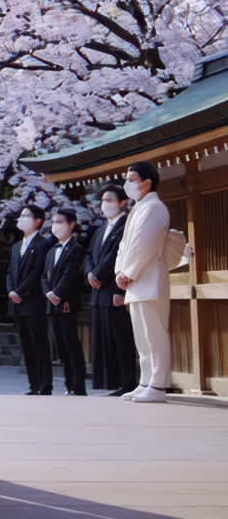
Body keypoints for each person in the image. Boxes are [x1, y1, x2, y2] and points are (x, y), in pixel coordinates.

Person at [116, 161, 172, 404]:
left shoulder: (155, 207)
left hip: (149, 278)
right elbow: (125, 245)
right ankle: (145, 380)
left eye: (132, 179)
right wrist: (120, 271)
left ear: (147, 181)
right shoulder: (138, 208)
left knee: (154, 333)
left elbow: (145, 243)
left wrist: (130, 271)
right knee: (141, 334)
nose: (128, 184)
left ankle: (158, 384)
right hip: (135, 281)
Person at [86, 184, 138, 396]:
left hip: (114, 288)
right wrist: (90, 273)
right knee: (104, 340)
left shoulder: (126, 225)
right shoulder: (101, 228)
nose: (105, 205)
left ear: (123, 202)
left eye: (110, 200)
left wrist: (97, 274)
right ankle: (112, 381)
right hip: (98, 291)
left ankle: (128, 382)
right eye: (104, 201)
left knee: (121, 338)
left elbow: (117, 256)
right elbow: (89, 254)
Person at [7, 205, 53, 395]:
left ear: (38, 221)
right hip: (17, 302)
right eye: (21, 215)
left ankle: (45, 385)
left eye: (27, 216)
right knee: (26, 345)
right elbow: (10, 272)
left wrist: (21, 291)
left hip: (34, 301)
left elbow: (37, 273)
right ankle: (33, 384)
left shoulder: (43, 244)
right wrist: (10, 290)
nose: (21, 218)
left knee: (39, 344)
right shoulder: (17, 246)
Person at [44, 208, 87, 396]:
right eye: (54, 222)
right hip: (51, 302)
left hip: (67, 301)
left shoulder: (76, 248)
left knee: (71, 344)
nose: (56, 226)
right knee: (61, 345)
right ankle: (68, 384)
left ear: (71, 224)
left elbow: (71, 274)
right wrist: (48, 292)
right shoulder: (52, 249)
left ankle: (77, 385)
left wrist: (58, 293)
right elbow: (44, 275)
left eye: (60, 222)